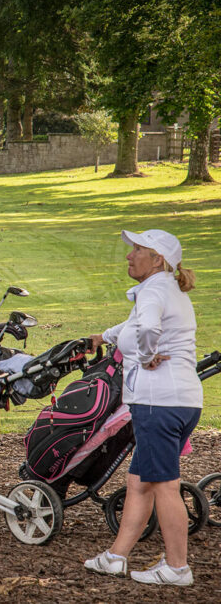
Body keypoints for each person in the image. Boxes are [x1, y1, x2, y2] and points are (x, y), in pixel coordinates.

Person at [83, 229, 202, 586]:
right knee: (139, 482)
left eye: (137, 250)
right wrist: (102, 337)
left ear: (158, 260)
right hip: (180, 400)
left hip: (158, 402)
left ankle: (177, 568)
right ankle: (116, 557)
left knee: (165, 485)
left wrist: (147, 357)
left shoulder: (154, 290)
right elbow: (135, 324)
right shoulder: (167, 289)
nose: (129, 256)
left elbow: (147, 327)